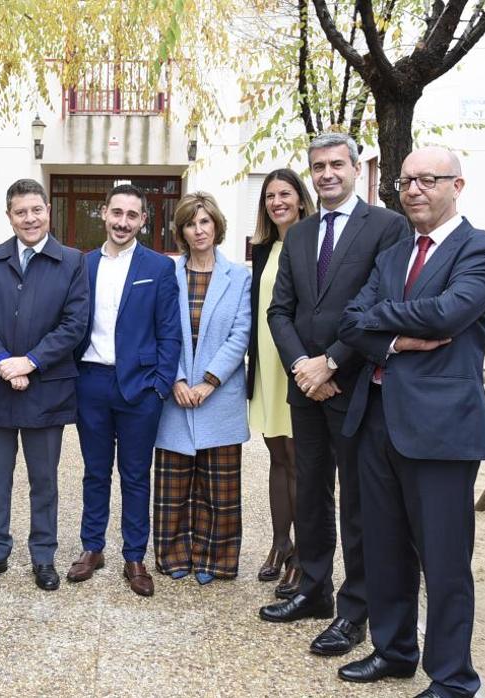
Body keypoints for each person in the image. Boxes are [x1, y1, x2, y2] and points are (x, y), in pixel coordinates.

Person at [336, 146, 485, 698]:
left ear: (457, 185)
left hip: (440, 430)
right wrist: (400, 339)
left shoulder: (481, 249)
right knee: (382, 547)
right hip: (377, 419)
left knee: (444, 559)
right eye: (406, 181)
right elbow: (350, 320)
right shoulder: (392, 255)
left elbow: (451, 312)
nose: (413, 190)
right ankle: (394, 651)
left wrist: (379, 323)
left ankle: (454, 679)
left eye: (427, 180)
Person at [259, 133, 410, 660]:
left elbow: (382, 305)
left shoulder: (388, 228)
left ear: (354, 168)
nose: (326, 173)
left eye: (336, 164)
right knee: (311, 492)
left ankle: (355, 613)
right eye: (318, 165)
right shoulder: (298, 235)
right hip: (306, 387)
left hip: (356, 385)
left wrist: (332, 362)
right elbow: (281, 311)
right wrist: (303, 365)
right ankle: (313, 589)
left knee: (359, 503)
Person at [0, 178, 89, 591]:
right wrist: (2, 363)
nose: (29, 218)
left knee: (44, 480)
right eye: (21, 212)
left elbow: (74, 324)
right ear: (9, 216)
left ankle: (43, 556)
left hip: (47, 389)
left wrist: (30, 362)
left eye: (36, 210)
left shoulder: (72, 261)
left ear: (47, 211)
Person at [67, 183, 180, 597]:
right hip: (91, 382)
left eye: (132, 216)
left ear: (143, 221)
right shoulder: (81, 265)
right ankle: (92, 548)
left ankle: (134, 555)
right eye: (117, 213)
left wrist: (160, 386)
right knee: (95, 472)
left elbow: (170, 333)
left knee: (135, 475)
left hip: (140, 388)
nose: (123, 222)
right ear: (104, 213)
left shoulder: (159, 267)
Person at [152, 192, 251, 585]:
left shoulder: (239, 276)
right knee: (174, 485)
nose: (199, 230)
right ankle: (174, 554)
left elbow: (241, 333)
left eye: (205, 221)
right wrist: (176, 379)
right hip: (175, 393)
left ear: (217, 226)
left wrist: (209, 382)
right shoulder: (167, 274)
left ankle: (216, 559)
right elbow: (160, 330)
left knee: (220, 488)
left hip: (219, 393)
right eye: (191, 223)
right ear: (181, 231)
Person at [247, 169, 316, 596]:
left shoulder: (311, 243)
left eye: (285, 193)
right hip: (266, 363)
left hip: (299, 362)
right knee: (276, 454)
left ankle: (304, 555)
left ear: (300, 198)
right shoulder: (263, 248)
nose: (277, 202)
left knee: (300, 460)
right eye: (270, 196)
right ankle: (279, 543)